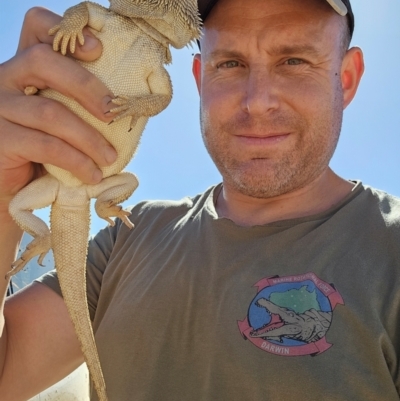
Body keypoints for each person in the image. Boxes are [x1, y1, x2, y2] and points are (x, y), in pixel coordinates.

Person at [0, 0, 399, 399]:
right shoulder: (128, 239)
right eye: (229, 64)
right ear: (200, 79)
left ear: (346, 78)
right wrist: (4, 193)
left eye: (293, 61)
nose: (257, 100)